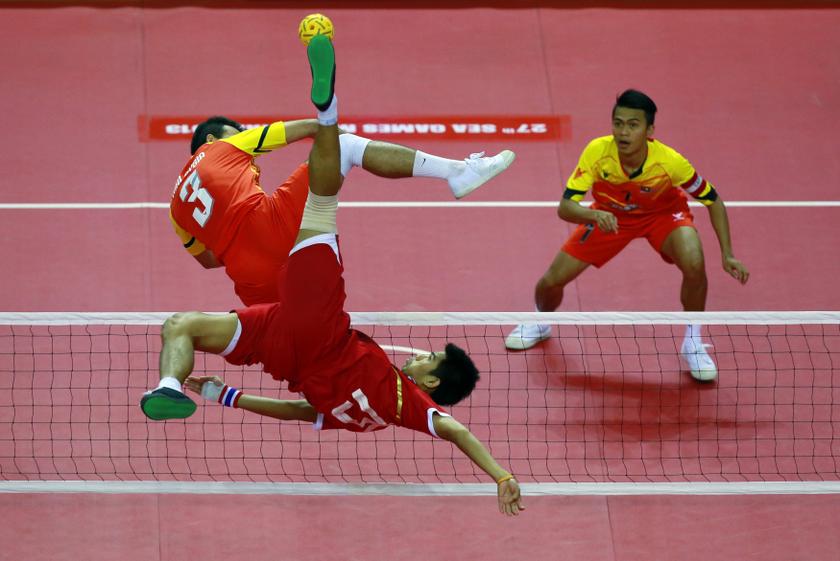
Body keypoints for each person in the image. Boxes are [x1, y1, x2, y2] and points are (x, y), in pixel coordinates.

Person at [143, 34, 524, 516]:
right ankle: (170, 387)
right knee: (182, 327)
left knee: (334, 152)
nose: (250, 145)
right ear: (219, 140)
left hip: (282, 293)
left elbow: (205, 258)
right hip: (280, 336)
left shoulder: (181, 203)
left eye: (429, 355)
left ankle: (169, 387)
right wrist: (227, 395)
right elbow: (302, 410)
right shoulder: (376, 417)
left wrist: (322, 124)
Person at [505, 89, 749, 381]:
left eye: (633, 125)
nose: (623, 132)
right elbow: (565, 207)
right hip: (610, 217)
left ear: (650, 131)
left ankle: (693, 342)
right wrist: (593, 214)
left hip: (662, 216)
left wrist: (728, 254)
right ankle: (541, 321)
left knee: (694, 262)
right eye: (618, 123)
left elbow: (713, 200)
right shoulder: (597, 151)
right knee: (551, 282)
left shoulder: (670, 162)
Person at [172, 105, 514, 307]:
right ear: (213, 139)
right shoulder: (222, 150)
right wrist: (341, 144)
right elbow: (312, 127)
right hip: (270, 225)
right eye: (235, 132)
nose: (241, 135)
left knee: (298, 336)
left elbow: (208, 261)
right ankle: (458, 172)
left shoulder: (175, 210)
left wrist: (244, 245)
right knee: (345, 145)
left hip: (249, 278)